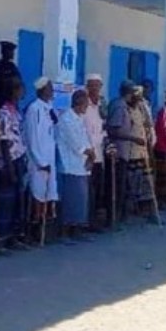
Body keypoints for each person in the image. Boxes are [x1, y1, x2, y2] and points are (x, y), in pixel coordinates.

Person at [107, 80, 157, 224]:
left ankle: (129, 214)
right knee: (121, 186)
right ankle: (116, 217)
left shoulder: (138, 107)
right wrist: (133, 138)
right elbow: (113, 130)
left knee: (137, 184)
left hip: (137, 152)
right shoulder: (119, 106)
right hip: (122, 152)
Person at [0, 78, 30, 251]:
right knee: (5, 201)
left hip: (20, 158)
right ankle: (1, 239)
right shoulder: (4, 113)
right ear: (13, 91)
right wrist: (9, 166)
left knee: (17, 201)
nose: (22, 91)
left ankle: (14, 238)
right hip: (9, 162)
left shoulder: (16, 111)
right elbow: (4, 142)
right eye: (19, 89)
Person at [56, 90, 96, 244]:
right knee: (70, 200)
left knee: (81, 200)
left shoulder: (79, 118)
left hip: (82, 165)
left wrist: (91, 154)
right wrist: (89, 154)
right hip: (70, 165)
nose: (87, 107)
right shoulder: (66, 119)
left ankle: (78, 230)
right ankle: (65, 233)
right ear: (78, 103)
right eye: (85, 104)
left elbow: (86, 140)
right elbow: (75, 144)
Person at [23, 76, 59, 242]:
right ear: (42, 90)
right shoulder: (34, 109)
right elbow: (32, 137)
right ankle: (33, 231)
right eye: (50, 88)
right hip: (39, 160)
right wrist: (40, 161)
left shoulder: (49, 108)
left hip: (49, 157)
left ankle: (44, 229)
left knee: (48, 194)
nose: (52, 91)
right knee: (37, 194)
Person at [82, 73, 108, 230]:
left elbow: (103, 128)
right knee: (88, 190)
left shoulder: (102, 105)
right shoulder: (84, 105)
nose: (94, 89)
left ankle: (95, 222)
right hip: (87, 155)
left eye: (97, 86)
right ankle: (86, 221)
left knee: (98, 189)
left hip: (99, 154)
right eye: (91, 85)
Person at [0, 40, 21, 109]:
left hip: (12, 97)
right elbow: (2, 81)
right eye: (10, 51)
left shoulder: (12, 66)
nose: (12, 53)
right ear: (4, 52)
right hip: (1, 97)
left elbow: (18, 79)